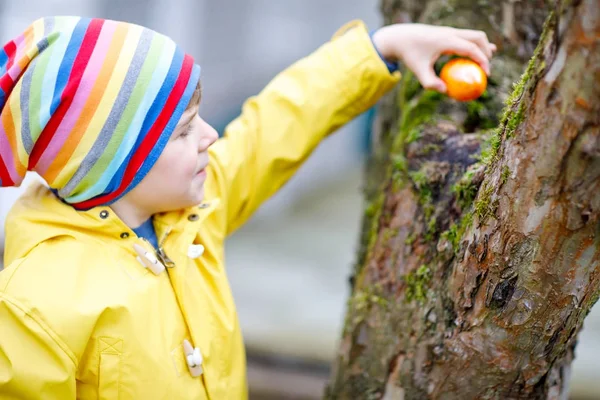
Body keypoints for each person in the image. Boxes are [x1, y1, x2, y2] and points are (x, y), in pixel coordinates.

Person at [0, 15, 495, 399]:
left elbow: (276, 124)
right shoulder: (38, 300)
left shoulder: (189, 212)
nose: (210, 135)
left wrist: (379, 48)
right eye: (184, 130)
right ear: (115, 163)